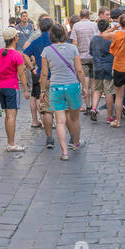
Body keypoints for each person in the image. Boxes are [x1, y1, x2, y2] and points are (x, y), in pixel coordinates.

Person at [40, 22, 86, 160]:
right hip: (72, 86)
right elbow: (79, 70)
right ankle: (76, 143)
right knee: (75, 118)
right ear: (65, 34)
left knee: (60, 121)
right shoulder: (73, 49)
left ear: (51, 35)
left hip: (55, 87)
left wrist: (42, 91)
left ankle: (64, 152)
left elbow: (43, 74)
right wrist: (83, 86)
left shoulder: (46, 51)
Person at [0, 26, 31, 153]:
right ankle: (11, 144)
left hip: (0, 87)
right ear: (15, 38)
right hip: (11, 87)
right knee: (12, 117)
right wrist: (26, 90)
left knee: (7, 116)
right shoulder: (17, 55)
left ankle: (9, 142)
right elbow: (22, 74)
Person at [24, 14, 55, 147]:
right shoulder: (56, 39)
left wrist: (32, 68)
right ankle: (68, 135)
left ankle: (49, 138)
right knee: (61, 107)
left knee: (45, 107)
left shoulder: (36, 41)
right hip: (57, 77)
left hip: (43, 77)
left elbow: (24, 53)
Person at [70, 9, 98, 115]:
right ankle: (94, 107)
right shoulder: (94, 25)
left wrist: (74, 57)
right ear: (89, 16)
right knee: (94, 84)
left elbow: (74, 43)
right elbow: (97, 39)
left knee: (85, 83)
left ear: (80, 16)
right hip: (94, 56)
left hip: (82, 57)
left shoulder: (76, 26)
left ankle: (88, 106)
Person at [88, 17, 114, 122]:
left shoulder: (94, 39)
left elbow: (91, 52)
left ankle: (94, 109)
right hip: (108, 67)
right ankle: (109, 117)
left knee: (97, 89)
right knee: (109, 92)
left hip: (97, 67)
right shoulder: (110, 38)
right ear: (108, 28)